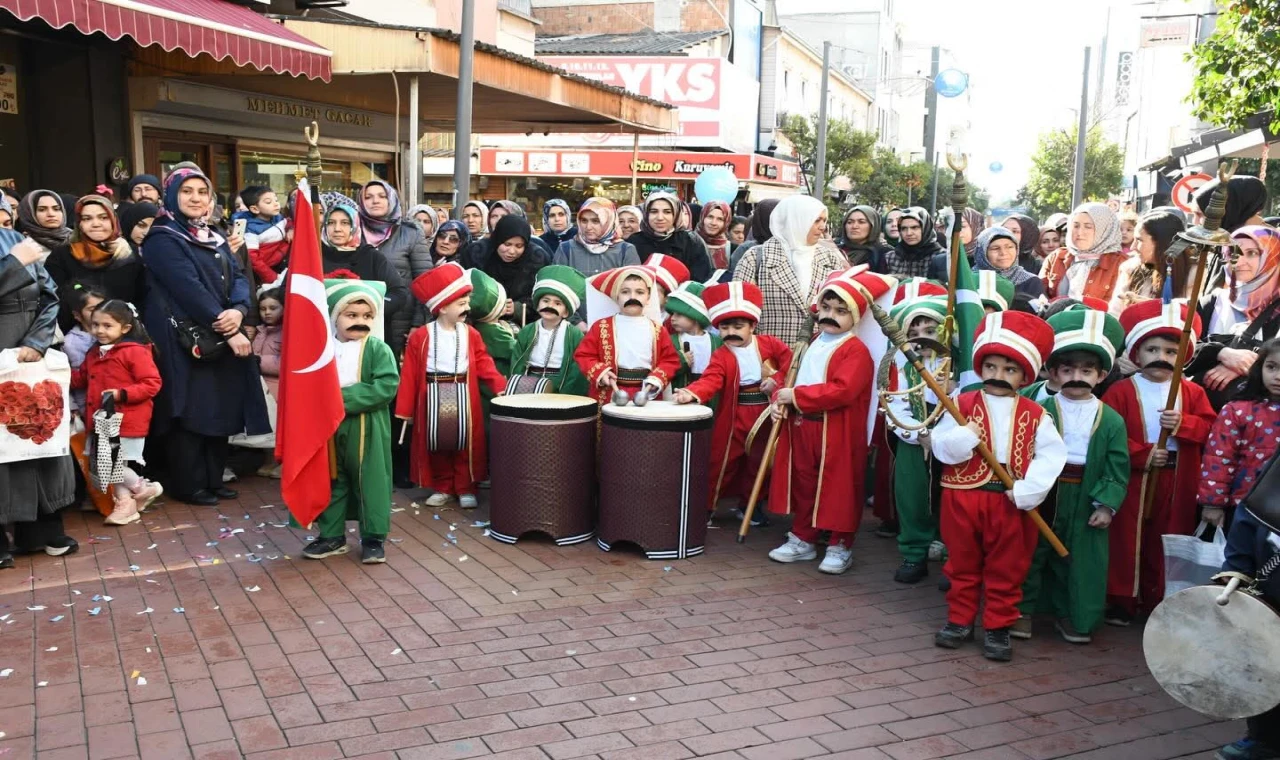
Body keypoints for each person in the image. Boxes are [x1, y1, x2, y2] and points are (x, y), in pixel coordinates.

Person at [930, 311, 1066, 661]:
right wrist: (964, 437)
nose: (998, 375)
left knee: (1007, 566)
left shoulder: (1037, 414)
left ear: (1024, 375)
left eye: (1009, 369)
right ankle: (960, 620)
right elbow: (941, 446)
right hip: (963, 496)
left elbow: (1051, 456)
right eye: (991, 367)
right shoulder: (960, 404)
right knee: (961, 563)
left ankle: (998, 626)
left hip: (1010, 499)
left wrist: (1029, 490)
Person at [139, 166, 270, 507]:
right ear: (171, 196)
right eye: (187, 191)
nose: (196, 198)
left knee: (219, 405)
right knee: (190, 410)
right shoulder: (162, 238)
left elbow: (238, 275)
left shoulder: (212, 235)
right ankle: (189, 484)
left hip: (220, 332)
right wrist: (228, 327)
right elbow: (188, 288)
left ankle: (213, 479)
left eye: (202, 192)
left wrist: (239, 310)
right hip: (184, 338)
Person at [765, 269, 896, 575]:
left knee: (840, 488)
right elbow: (788, 375)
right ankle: (804, 537)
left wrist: (795, 396)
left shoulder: (856, 351)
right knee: (805, 483)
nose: (830, 316)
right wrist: (777, 399)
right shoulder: (809, 342)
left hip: (837, 430)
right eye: (826, 308)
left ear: (855, 316)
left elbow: (842, 390)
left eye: (840, 311)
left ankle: (840, 544)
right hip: (803, 425)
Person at [1015, 306, 1130, 644]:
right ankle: (1020, 611)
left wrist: (1105, 504)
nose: (1077, 376)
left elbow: (1117, 464)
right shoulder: (1039, 409)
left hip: (1085, 494)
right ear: (1054, 372)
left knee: (1080, 559)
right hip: (1045, 491)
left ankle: (1073, 614)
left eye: (1086, 370)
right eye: (1068, 369)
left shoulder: (1111, 419)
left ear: (1101, 375)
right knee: (1031, 550)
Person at [1102, 300, 1216, 625]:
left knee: (1167, 539)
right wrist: (1143, 453)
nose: (1161, 357)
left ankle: (1159, 599)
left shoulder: (1192, 392)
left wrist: (1183, 424)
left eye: (1170, 351)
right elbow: (1106, 435)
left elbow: (1211, 429)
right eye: (1152, 349)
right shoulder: (1121, 391)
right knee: (1127, 538)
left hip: (1176, 479)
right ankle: (1123, 600)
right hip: (1135, 478)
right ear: (1137, 354)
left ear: (1183, 356)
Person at [674, 281, 791, 522]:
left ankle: (751, 505)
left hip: (766, 413)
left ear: (753, 326)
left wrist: (776, 380)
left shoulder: (770, 344)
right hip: (734, 414)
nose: (731, 333)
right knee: (722, 461)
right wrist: (692, 393)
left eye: (738, 327)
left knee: (760, 461)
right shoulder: (722, 354)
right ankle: (708, 506)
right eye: (725, 327)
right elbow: (711, 379)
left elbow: (792, 364)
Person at [303, 279, 399, 563]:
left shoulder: (378, 349)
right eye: (352, 315)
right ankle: (331, 535)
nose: (360, 321)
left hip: (366, 424)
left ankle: (373, 538)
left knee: (370, 480)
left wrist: (338, 400)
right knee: (333, 480)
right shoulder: (323, 349)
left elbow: (386, 386)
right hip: (329, 426)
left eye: (367, 316)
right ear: (335, 316)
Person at [397, 264, 507, 509]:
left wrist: (498, 385)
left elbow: (483, 362)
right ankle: (443, 486)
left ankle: (466, 487)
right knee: (438, 442)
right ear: (443, 307)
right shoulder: (421, 336)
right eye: (461, 303)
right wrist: (405, 409)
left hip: (464, 394)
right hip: (432, 394)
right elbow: (410, 373)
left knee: (466, 443)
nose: (467, 308)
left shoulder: (471, 333)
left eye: (467, 302)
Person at [0, 232, 78, 563]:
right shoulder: (17, 249)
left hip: (30, 353)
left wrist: (37, 341)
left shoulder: (11, 237)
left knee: (38, 435)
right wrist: (14, 263)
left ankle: (43, 530)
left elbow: (50, 296)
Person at [71, 299, 165, 526]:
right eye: (95, 324)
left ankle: (145, 488)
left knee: (112, 464)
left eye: (107, 325)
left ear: (125, 328)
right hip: (103, 418)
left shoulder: (134, 352)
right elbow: (81, 378)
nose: (99, 330)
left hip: (126, 418)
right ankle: (126, 504)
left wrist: (122, 394)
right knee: (110, 465)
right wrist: (57, 374)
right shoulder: (95, 353)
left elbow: (152, 383)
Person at [883, 295, 948, 585]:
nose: (922, 338)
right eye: (914, 333)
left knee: (953, 499)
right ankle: (914, 553)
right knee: (911, 495)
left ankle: (953, 559)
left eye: (930, 331)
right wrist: (916, 433)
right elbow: (895, 405)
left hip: (951, 440)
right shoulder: (902, 366)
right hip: (914, 438)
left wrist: (942, 437)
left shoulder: (958, 366)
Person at [1213, 502, 1280, 760]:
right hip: (1273, 580)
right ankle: (1266, 740)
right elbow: (1251, 514)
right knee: (1264, 663)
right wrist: (1238, 565)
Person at [732, 195, 848, 345]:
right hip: (769, 353)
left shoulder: (830, 258)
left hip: (818, 351)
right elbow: (738, 311)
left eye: (824, 220)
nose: (822, 227)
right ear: (796, 220)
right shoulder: (756, 257)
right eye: (816, 220)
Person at [1190, 226, 1280, 409]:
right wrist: (1222, 353)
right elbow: (1182, 347)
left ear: (1273, 256)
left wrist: (1246, 366)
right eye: (1232, 253)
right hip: (1202, 412)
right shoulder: (1212, 302)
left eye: (1252, 253)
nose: (1238, 261)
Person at [1199, 337, 1280, 534]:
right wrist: (1213, 503)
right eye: (1271, 367)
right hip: (1242, 507)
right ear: (1259, 368)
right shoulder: (1238, 410)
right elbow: (1219, 458)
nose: (1277, 376)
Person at [574, 265, 681, 407]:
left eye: (639, 292)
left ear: (648, 297)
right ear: (616, 296)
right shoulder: (600, 327)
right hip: (611, 391)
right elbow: (584, 355)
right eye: (625, 292)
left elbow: (670, 360)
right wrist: (601, 372)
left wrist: (656, 379)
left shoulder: (658, 330)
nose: (632, 297)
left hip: (646, 394)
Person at [45, 195, 147, 333]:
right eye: (87, 218)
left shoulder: (130, 254)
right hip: (77, 335)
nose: (96, 224)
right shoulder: (62, 255)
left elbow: (143, 298)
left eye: (103, 217)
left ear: (113, 220)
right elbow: (53, 301)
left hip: (125, 334)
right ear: (79, 223)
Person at [320, 195, 409, 342]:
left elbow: (399, 294)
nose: (337, 229)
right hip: (322, 335)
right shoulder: (314, 256)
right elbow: (288, 290)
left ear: (355, 225)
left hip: (366, 336)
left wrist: (367, 310)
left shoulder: (371, 257)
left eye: (345, 223)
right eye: (331, 223)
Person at [358, 179, 431, 353]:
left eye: (382, 196)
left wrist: (418, 323)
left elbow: (425, 282)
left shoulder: (410, 233)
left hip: (400, 321)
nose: (375, 201)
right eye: (368, 197)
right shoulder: (353, 232)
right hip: (358, 317)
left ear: (391, 199)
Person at [510, 265, 588, 395]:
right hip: (529, 383)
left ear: (566, 312)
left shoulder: (574, 334)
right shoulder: (527, 331)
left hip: (560, 383)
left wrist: (566, 394)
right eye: (545, 301)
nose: (550, 306)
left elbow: (576, 370)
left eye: (557, 303)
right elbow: (517, 360)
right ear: (537, 305)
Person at [1041, 202, 1127, 302]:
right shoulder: (1056, 257)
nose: (1079, 233)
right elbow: (1040, 297)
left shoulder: (1122, 264)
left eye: (1088, 227)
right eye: (1076, 226)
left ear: (1105, 230)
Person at [1110, 210, 1187, 316]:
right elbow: (1114, 314)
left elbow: (1192, 317)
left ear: (1161, 244)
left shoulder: (1194, 275)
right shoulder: (1130, 269)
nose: (1133, 247)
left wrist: (1153, 306)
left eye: (1139, 240)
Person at [627, 192, 713, 283]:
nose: (660, 218)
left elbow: (702, 279)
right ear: (646, 214)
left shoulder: (691, 241)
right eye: (654, 211)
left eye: (667, 212)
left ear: (676, 214)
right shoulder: (634, 242)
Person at [553, 197, 641, 282]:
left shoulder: (625, 250)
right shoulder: (566, 249)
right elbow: (557, 284)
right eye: (584, 220)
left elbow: (633, 286)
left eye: (595, 221)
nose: (588, 227)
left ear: (608, 222)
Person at [481, 215, 545, 329]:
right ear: (497, 240)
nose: (511, 251)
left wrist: (519, 308)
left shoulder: (536, 258)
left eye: (519, 246)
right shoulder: (478, 254)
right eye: (507, 244)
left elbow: (544, 295)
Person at [250, 286, 283, 479]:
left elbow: (286, 362)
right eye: (263, 309)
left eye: (273, 308)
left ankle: (284, 463)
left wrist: (257, 361)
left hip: (277, 388)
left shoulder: (286, 332)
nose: (267, 313)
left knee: (280, 428)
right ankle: (270, 460)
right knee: (268, 428)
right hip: (261, 386)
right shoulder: (260, 331)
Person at [664, 281, 719, 390]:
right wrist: (681, 360)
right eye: (672, 314)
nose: (672, 318)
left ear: (695, 316)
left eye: (679, 314)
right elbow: (665, 370)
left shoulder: (717, 342)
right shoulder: (670, 341)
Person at [972, 227, 1045, 304]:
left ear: (1016, 249)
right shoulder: (971, 280)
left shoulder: (1031, 282)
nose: (1003, 253)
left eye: (1009, 247)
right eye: (995, 248)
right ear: (982, 253)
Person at [232, 186, 288, 286]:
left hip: (283, 262)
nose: (276, 204)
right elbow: (253, 260)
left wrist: (290, 229)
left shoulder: (279, 218)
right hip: (266, 272)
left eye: (276, 200)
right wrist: (273, 278)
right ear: (255, 209)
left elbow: (290, 222)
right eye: (268, 202)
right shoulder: (250, 230)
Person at [467, 268, 518, 376]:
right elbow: (516, 351)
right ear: (496, 310)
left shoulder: (476, 326)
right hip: (499, 376)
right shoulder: (493, 332)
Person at [886, 207, 944, 280]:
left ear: (926, 227)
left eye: (915, 227)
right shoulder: (890, 257)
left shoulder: (940, 258)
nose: (909, 233)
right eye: (904, 228)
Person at [17, 189, 72, 256]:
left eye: (56, 209)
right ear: (29, 213)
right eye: (42, 210)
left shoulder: (76, 238)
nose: (51, 214)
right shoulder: (24, 246)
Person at [836, 205, 889, 271]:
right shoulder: (836, 250)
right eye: (850, 222)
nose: (854, 226)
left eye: (861, 222)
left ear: (873, 226)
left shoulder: (885, 253)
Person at [696, 201, 734, 271]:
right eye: (710, 217)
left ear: (726, 222)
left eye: (720, 219)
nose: (713, 223)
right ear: (702, 217)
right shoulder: (689, 243)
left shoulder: (732, 249)